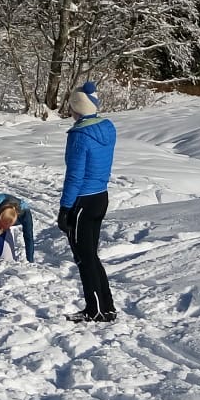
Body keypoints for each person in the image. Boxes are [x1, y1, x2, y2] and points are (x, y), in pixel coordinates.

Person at [60, 81, 118, 322]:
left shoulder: (79, 136)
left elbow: (75, 176)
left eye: (72, 107)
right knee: (92, 255)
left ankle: (94, 310)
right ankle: (107, 306)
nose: (70, 112)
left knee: (84, 258)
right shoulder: (108, 128)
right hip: (101, 197)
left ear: (78, 108)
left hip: (82, 201)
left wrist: (65, 208)